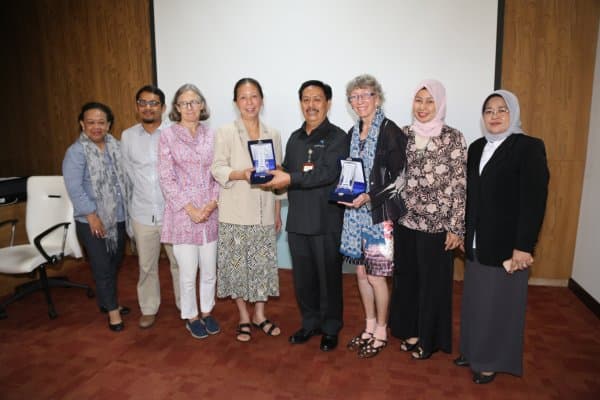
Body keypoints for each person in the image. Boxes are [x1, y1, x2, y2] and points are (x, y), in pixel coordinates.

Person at [455, 90, 549, 384]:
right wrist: (462, 232)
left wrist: (524, 246)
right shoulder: (476, 147)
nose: (494, 116)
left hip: (508, 246)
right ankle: (471, 351)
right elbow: (470, 196)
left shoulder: (529, 147)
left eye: (501, 110)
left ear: (514, 114)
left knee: (500, 306)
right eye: (489, 111)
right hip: (477, 241)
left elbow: (534, 201)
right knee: (475, 302)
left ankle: (490, 360)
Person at [262, 80, 349, 352]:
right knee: (303, 279)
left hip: (326, 221)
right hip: (298, 221)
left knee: (329, 279)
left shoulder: (337, 137)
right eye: (306, 99)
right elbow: (289, 169)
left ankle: (331, 327)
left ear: (328, 103)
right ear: (300, 103)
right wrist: (277, 172)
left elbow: (327, 173)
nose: (311, 105)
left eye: (317, 99)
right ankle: (310, 323)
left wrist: (290, 176)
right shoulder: (295, 137)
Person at [389, 79, 467, 359]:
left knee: (433, 285)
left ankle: (430, 339)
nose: (422, 107)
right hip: (405, 223)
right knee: (407, 280)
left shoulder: (453, 137)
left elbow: (460, 186)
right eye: (418, 101)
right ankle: (410, 330)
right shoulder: (403, 134)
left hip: (437, 227)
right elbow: (393, 178)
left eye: (429, 101)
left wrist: (456, 228)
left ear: (440, 104)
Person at [339, 74, 407, 358]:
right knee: (361, 273)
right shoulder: (352, 132)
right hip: (354, 216)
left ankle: (381, 330)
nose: (360, 101)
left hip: (379, 216)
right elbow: (349, 171)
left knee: (377, 277)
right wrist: (344, 192)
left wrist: (370, 196)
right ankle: (368, 326)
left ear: (377, 98)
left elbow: (402, 178)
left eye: (365, 95)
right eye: (354, 96)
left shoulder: (391, 131)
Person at [211, 78, 283, 342]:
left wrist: (277, 212)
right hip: (235, 212)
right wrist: (241, 173)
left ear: (262, 100)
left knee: (262, 267)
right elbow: (217, 168)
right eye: (243, 97)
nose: (249, 102)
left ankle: (260, 315)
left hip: (264, 211)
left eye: (254, 96)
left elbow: (279, 174)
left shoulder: (273, 133)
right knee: (238, 267)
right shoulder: (225, 132)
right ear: (235, 103)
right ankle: (243, 315)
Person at [158, 83, 220, 339]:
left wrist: (212, 203)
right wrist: (190, 208)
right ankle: (191, 316)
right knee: (187, 271)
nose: (190, 107)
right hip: (182, 215)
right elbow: (166, 177)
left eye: (194, 102)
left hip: (210, 212)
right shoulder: (167, 136)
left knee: (209, 269)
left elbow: (219, 172)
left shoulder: (213, 135)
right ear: (176, 108)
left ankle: (206, 311)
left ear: (202, 105)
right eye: (184, 103)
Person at [63, 102, 130, 332]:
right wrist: (91, 215)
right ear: (82, 124)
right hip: (91, 220)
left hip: (118, 217)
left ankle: (106, 301)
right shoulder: (76, 152)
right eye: (90, 122)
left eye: (101, 122)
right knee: (102, 266)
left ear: (109, 125)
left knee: (114, 263)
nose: (96, 127)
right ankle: (112, 312)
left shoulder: (117, 146)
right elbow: (74, 188)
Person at [121, 85, 180, 329]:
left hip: (174, 212)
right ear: (137, 107)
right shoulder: (127, 136)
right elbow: (127, 175)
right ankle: (148, 307)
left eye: (154, 103)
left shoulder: (175, 133)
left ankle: (185, 306)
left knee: (180, 263)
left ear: (163, 108)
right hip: (142, 212)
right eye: (143, 103)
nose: (148, 107)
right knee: (146, 266)